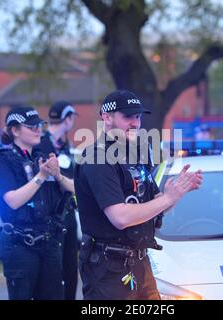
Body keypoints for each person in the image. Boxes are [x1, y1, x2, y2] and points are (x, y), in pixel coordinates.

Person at [74, 90, 203, 300]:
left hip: (140, 262)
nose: (135, 123)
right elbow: (120, 217)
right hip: (108, 269)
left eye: (138, 116)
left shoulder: (137, 153)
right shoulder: (97, 158)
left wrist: (176, 192)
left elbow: (153, 205)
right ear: (107, 118)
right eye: (127, 116)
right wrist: (167, 198)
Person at [0, 106, 73, 300]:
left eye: (39, 125)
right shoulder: (3, 161)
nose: (38, 129)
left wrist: (58, 175)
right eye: (31, 126)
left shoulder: (43, 157)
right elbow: (13, 200)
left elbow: (76, 187)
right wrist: (42, 176)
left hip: (50, 241)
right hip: (19, 244)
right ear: (14, 130)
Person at [36, 100, 79, 300]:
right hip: (51, 217)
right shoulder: (43, 144)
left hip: (67, 214)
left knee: (71, 269)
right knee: (55, 271)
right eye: (72, 118)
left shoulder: (64, 144)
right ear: (67, 119)